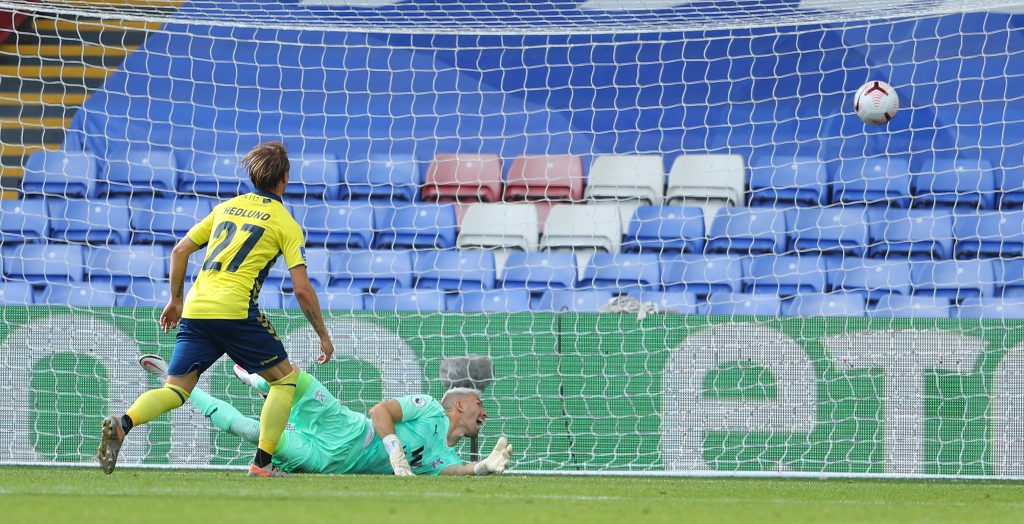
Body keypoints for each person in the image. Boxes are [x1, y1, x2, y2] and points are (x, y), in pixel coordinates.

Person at [97, 141, 335, 477]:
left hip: (197, 308)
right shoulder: (286, 223)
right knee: (284, 381)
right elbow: (301, 289)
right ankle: (262, 464)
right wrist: (323, 335)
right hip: (236, 310)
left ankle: (124, 422)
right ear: (285, 178)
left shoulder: (226, 208)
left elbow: (179, 251)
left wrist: (176, 301)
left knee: (176, 390)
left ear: (254, 177)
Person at [137, 354, 513, 476]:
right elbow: (379, 411)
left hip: (329, 461)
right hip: (346, 428)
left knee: (251, 431)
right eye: (480, 405)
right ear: (460, 405)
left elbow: (457, 470)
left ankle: (178, 385)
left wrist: (484, 467)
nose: (485, 412)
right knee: (297, 379)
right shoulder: (429, 407)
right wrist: (394, 451)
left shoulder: (444, 457)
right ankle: (257, 378)